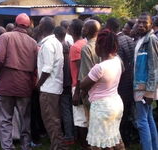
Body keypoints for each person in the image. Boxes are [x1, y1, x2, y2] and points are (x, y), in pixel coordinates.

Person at [0, 13, 38, 150]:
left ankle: (7, 147)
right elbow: (36, 66)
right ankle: (26, 146)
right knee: (25, 120)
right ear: (28, 26)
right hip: (25, 85)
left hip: (7, 84)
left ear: (15, 24)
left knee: (6, 119)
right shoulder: (33, 43)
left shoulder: (5, 37)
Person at [80, 29, 125, 150]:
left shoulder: (99, 68)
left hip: (102, 108)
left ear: (99, 46)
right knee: (114, 137)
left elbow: (83, 85)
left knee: (99, 144)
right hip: (116, 103)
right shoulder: (117, 61)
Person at [36, 16, 68, 150]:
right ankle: (58, 144)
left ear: (43, 27)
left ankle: (57, 147)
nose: (38, 25)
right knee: (54, 118)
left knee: (50, 119)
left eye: (40, 24)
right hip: (54, 87)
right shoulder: (55, 42)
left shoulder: (48, 44)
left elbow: (47, 68)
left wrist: (38, 84)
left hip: (49, 88)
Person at [105, 17, 137, 147]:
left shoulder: (116, 42)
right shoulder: (129, 39)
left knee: (121, 117)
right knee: (127, 113)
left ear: (110, 27)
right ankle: (128, 138)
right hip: (130, 82)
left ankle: (122, 140)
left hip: (121, 85)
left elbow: (119, 67)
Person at [133, 12, 158, 150]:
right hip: (141, 86)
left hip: (144, 88)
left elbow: (154, 67)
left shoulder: (151, 39)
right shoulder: (141, 38)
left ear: (151, 25)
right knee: (148, 119)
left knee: (142, 121)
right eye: (139, 22)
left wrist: (149, 91)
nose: (141, 25)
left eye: (145, 23)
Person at [68, 19, 89, 149]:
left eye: (69, 26)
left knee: (81, 119)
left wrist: (77, 92)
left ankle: (84, 146)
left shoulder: (76, 47)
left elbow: (80, 70)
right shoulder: (86, 43)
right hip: (88, 85)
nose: (67, 28)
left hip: (79, 86)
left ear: (73, 29)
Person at [54, 26, 74, 144]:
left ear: (55, 35)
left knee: (65, 109)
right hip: (71, 81)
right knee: (71, 109)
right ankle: (73, 133)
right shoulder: (70, 45)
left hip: (63, 82)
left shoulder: (58, 47)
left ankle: (69, 135)